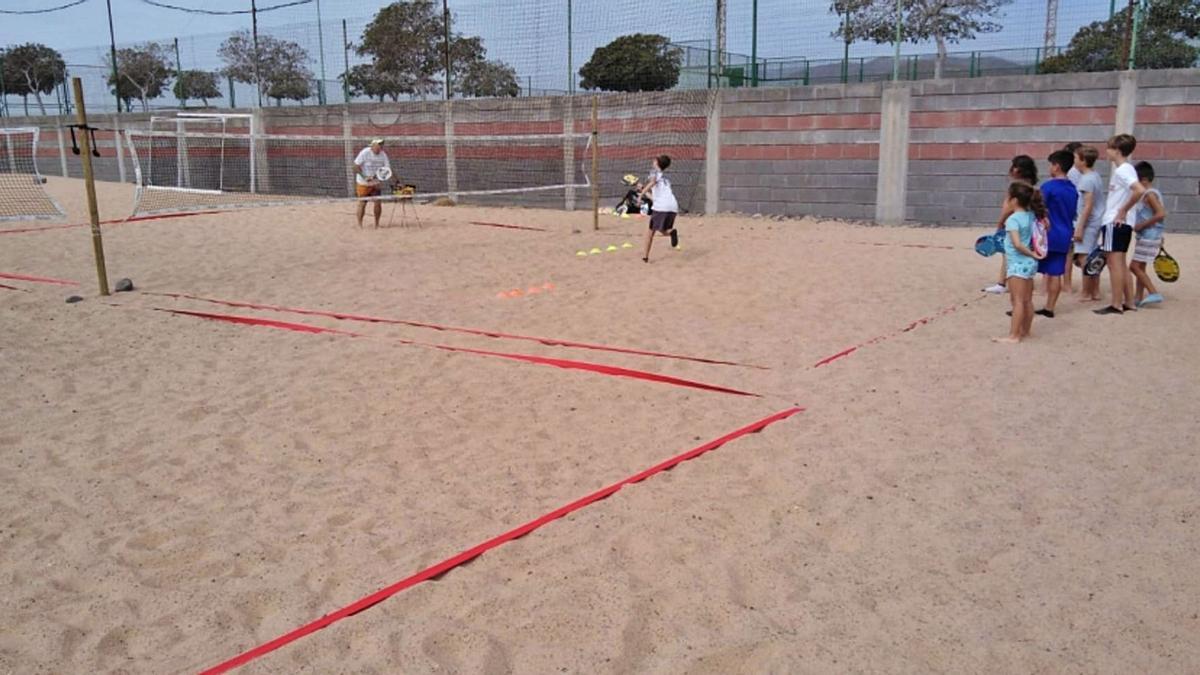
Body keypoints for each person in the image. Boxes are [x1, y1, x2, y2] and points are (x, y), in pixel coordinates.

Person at [1094, 134, 1145, 315]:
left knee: (1114, 263)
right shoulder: (1128, 169)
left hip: (1115, 222)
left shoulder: (1123, 170)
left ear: (1117, 150)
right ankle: (1129, 301)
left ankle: (1116, 303)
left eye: (1109, 148)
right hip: (1123, 223)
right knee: (1121, 263)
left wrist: (1123, 210)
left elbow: (1139, 190)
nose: (1106, 152)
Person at [994, 182, 1046, 344]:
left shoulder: (1013, 220)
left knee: (1017, 301)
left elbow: (1017, 244)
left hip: (1018, 263)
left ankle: (1014, 335)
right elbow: (1044, 228)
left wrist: (1032, 253)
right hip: (1029, 264)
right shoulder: (1031, 216)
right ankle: (1026, 331)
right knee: (1027, 300)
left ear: (1014, 200)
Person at [983, 156, 1039, 294]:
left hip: (1014, 221)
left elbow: (1008, 208)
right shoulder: (1031, 186)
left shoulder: (1016, 188)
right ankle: (1007, 281)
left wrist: (1000, 222)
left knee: (1008, 251)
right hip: (1025, 222)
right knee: (1017, 249)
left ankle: (1002, 282)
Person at [1037, 150, 1078, 317]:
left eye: (1051, 165)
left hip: (1048, 233)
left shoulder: (1048, 187)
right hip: (1065, 233)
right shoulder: (1073, 189)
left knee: (1028, 269)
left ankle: (1023, 303)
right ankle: (1050, 307)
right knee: (1055, 272)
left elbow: (1038, 207)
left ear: (1057, 166)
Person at [1129, 161, 1167, 307]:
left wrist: (1141, 225)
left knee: (1134, 267)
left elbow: (1160, 214)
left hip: (1149, 234)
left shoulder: (1149, 194)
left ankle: (1153, 292)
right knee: (1141, 266)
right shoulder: (1150, 193)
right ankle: (1138, 297)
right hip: (1148, 234)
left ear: (1143, 179)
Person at [1072, 145, 1105, 303]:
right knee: (1093, 256)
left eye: (1076, 159)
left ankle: (1086, 291)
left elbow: (1088, 205)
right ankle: (1095, 290)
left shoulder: (1086, 179)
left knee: (1085, 257)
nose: (1075, 162)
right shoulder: (1095, 176)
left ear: (1083, 161)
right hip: (1095, 221)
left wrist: (1080, 227)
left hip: (1089, 223)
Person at [639, 154, 679, 263]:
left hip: (662, 207)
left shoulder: (654, 171)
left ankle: (645, 257)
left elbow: (652, 182)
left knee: (650, 232)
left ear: (657, 162)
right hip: (672, 207)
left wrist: (641, 194)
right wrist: (643, 189)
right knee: (663, 230)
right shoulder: (666, 179)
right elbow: (655, 198)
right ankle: (671, 232)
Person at [353, 139, 392, 228]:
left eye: (381, 145)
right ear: (373, 145)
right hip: (363, 183)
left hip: (375, 183)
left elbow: (387, 169)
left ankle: (377, 224)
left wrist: (376, 177)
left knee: (378, 202)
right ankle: (360, 225)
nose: (380, 147)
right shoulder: (364, 153)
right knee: (362, 203)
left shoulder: (383, 155)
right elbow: (355, 166)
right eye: (378, 145)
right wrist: (364, 177)